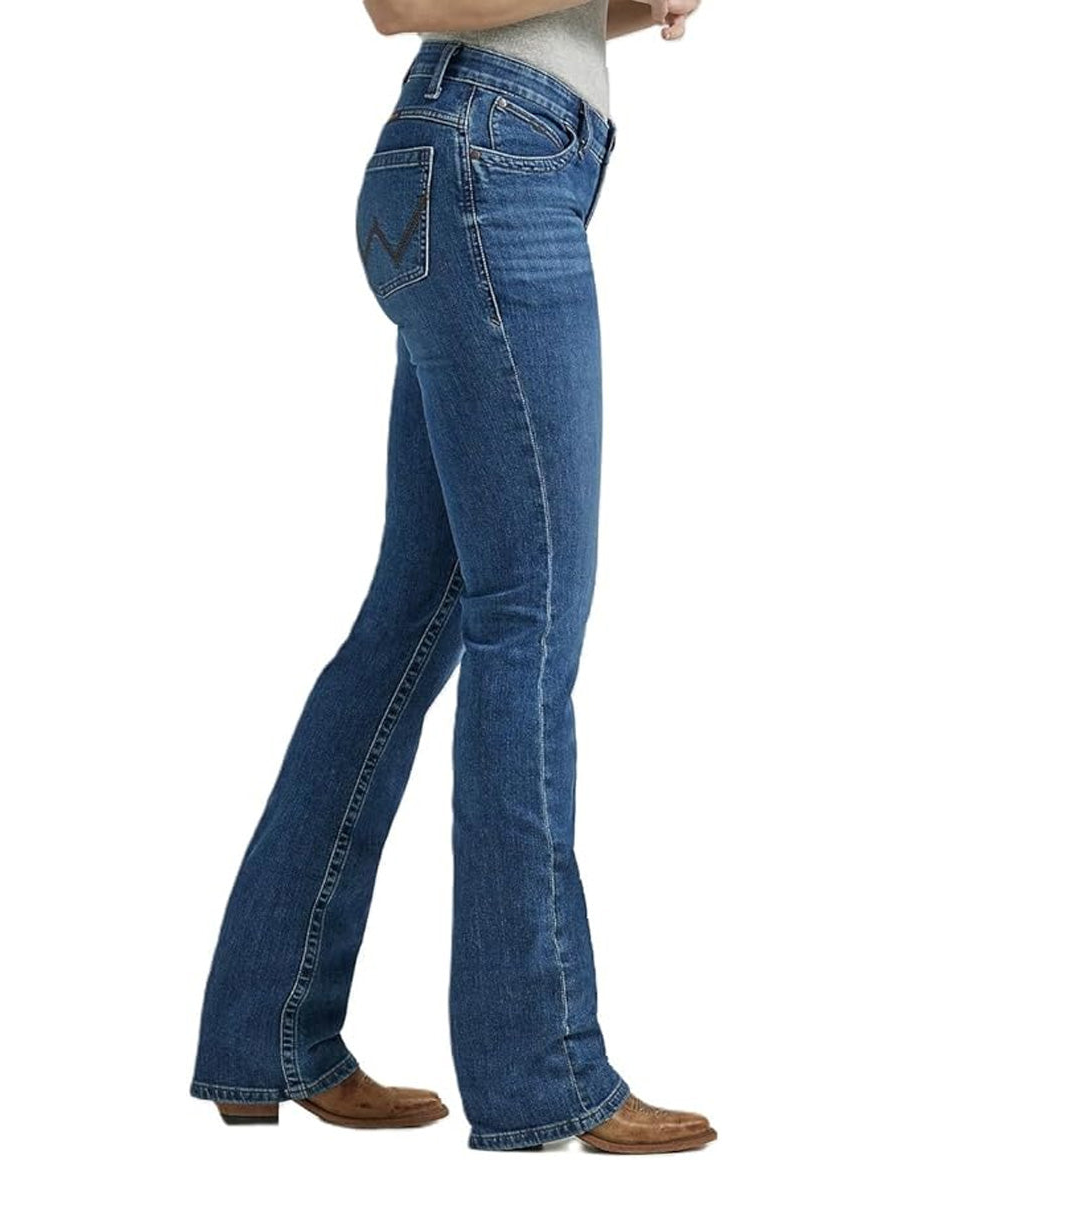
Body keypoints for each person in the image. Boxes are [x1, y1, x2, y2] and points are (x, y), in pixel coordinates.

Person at [189, 0, 717, 1154]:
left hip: (486, 158)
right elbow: (401, 4)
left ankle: (265, 1032)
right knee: (528, 619)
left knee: (412, 619)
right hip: (491, 164)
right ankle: (541, 1071)